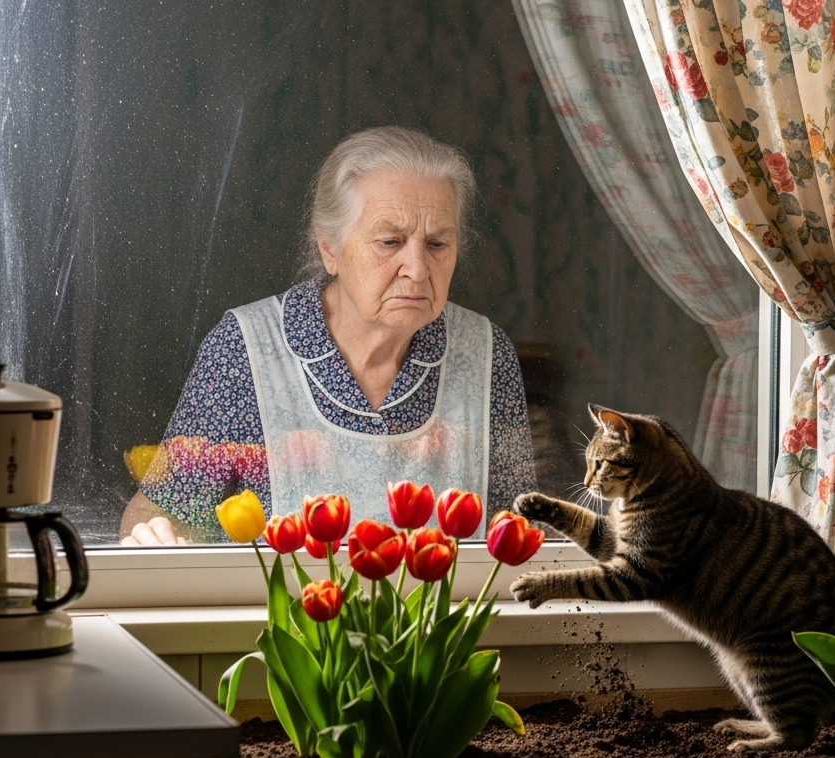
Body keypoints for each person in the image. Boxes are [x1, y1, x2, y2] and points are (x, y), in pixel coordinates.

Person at [120, 126, 535, 544]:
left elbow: (521, 526)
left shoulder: (485, 354)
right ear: (329, 250)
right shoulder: (247, 349)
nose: (418, 268)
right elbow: (159, 509)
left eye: (438, 244)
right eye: (390, 241)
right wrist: (153, 537)